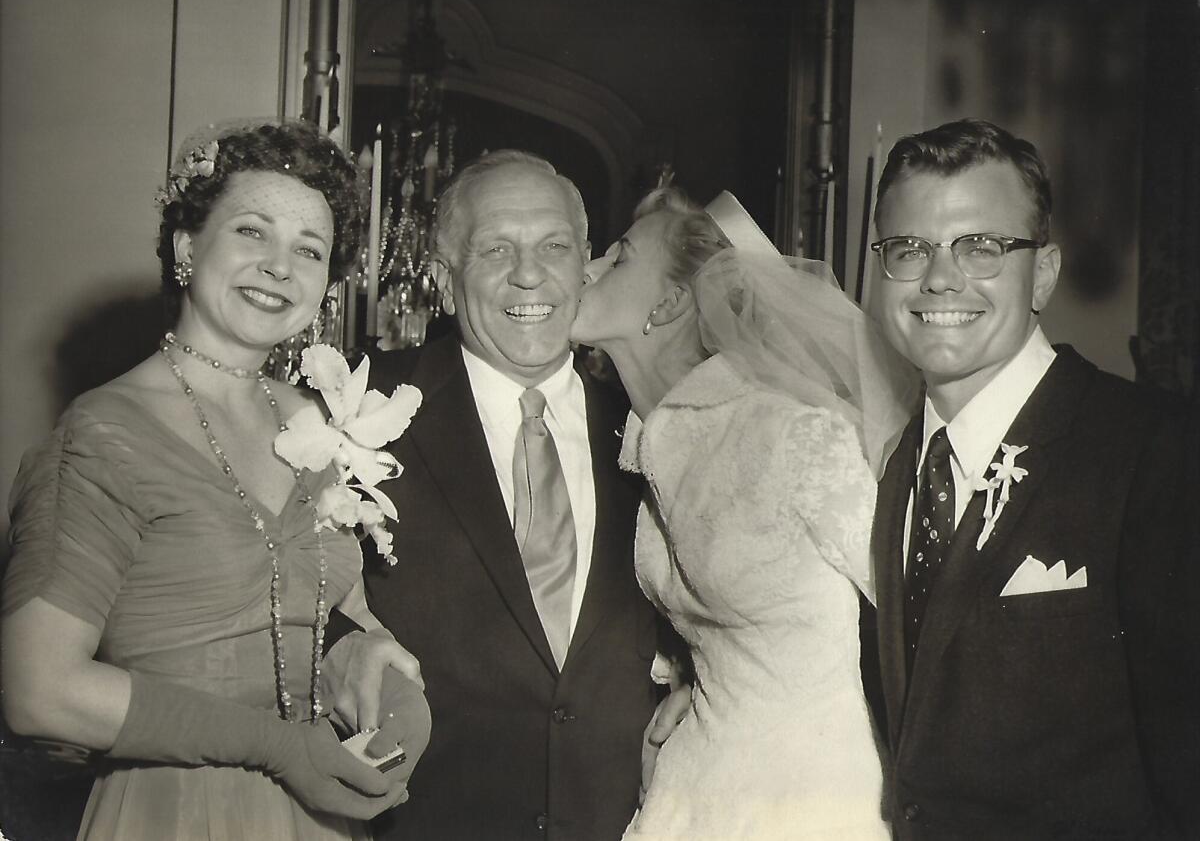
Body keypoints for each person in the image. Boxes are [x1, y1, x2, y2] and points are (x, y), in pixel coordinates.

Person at [2, 120, 429, 841]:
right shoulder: (104, 432)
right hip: (169, 812)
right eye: (252, 232)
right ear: (186, 247)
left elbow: (316, 619)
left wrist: (379, 671)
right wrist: (278, 746)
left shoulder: (317, 423)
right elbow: (38, 691)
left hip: (314, 816)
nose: (278, 266)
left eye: (308, 249)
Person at [868, 118, 1200, 840]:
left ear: (1042, 274)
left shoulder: (1156, 450)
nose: (939, 277)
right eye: (908, 248)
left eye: (981, 246)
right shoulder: (900, 466)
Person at [571, 186, 916, 840]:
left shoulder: (793, 437)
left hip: (813, 798)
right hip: (690, 782)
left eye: (618, 259)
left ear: (670, 302)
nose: (585, 268)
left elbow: (922, 625)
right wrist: (685, 681)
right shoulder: (649, 449)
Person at [358, 150, 662, 841]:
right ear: (443, 276)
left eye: (554, 246)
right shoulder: (362, 411)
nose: (531, 274)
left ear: (586, 261)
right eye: (496, 248)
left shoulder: (652, 424)